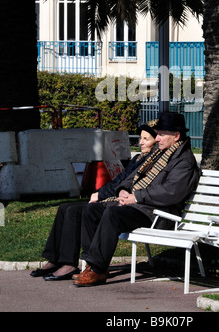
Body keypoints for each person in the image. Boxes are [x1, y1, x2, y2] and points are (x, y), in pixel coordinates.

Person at [72, 112, 200, 287]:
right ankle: (92, 265)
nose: (158, 138)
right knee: (91, 210)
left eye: (162, 134)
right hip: (141, 207)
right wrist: (124, 190)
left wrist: (137, 197)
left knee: (112, 214)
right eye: (158, 134)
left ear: (176, 136)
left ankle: (97, 269)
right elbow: (135, 178)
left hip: (159, 214)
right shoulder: (160, 154)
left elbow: (170, 193)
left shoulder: (184, 161)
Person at [30, 121, 157, 280]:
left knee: (74, 211)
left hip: (126, 205)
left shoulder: (152, 162)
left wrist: (100, 195)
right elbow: (120, 180)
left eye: (146, 139)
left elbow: (129, 185)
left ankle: (71, 265)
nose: (141, 142)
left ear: (156, 140)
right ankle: (55, 259)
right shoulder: (139, 158)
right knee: (64, 207)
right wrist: (100, 192)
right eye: (141, 138)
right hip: (115, 199)